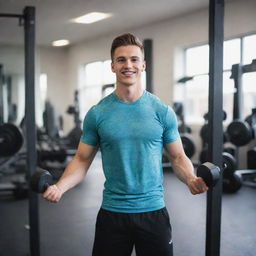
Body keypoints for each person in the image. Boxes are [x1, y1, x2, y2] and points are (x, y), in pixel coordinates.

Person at [43, 33, 208, 256]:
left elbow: (178, 157)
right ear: (112, 66)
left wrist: (191, 178)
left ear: (143, 65)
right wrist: (60, 186)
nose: (128, 65)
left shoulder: (162, 111)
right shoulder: (97, 113)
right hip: (112, 214)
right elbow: (82, 159)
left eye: (133, 59)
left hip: (153, 213)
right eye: (121, 60)